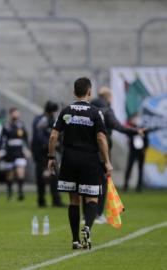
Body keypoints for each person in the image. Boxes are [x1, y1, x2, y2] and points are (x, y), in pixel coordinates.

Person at [48, 77, 112, 250]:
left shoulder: (66, 110)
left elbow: (54, 136)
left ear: (74, 92)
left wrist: (51, 157)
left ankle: (75, 240)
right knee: (92, 198)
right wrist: (107, 162)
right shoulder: (95, 112)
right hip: (89, 160)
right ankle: (87, 228)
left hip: (69, 158)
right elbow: (101, 138)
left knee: (74, 199)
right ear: (89, 92)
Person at [91, 87, 143, 223]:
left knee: (88, 184)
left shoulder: (89, 110)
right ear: (107, 96)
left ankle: (87, 215)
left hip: (87, 151)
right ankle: (98, 214)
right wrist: (136, 131)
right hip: (102, 152)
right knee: (102, 182)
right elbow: (119, 127)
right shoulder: (107, 111)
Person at [31, 101, 64, 208]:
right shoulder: (41, 120)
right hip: (41, 153)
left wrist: (58, 146)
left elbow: (57, 134)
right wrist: (50, 144)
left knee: (54, 176)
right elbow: (38, 136)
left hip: (50, 152)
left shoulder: (51, 120)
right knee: (41, 177)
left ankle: (56, 200)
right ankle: (41, 200)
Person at [0, 108, 29, 201]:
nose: (16, 115)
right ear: (11, 114)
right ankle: (10, 192)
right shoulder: (6, 125)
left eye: (17, 113)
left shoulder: (21, 124)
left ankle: (20, 192)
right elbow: (2, 139)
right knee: (10, 174)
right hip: (9, 152)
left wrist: (27, 149)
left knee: (20, 172)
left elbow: (25, 138)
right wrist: (0, 151)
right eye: (15, 113)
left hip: (19, 151)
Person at [123, 113, 148, 192]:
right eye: (135, 118)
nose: (136, 120)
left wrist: (145, 149)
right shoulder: (131, 128)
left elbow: (146, 139)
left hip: (141, 151)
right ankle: (125, 186)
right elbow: (128, 137)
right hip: (133, 150)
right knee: (129, 168)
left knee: (140, 169)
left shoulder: (143, 128)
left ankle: (139, 187)